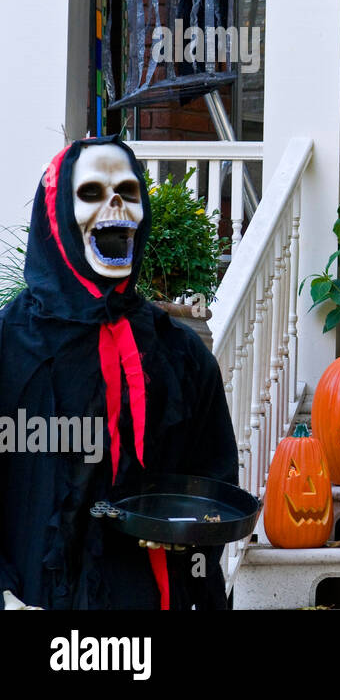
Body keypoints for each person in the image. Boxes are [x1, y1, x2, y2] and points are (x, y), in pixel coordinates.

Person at [0, 136, 237, 609]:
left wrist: (192, 545)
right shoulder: (8, 346)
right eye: (91, 193)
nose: (115, 204)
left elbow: (211, 481)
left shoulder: (181, 354)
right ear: (57, 216)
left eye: (128, 192)